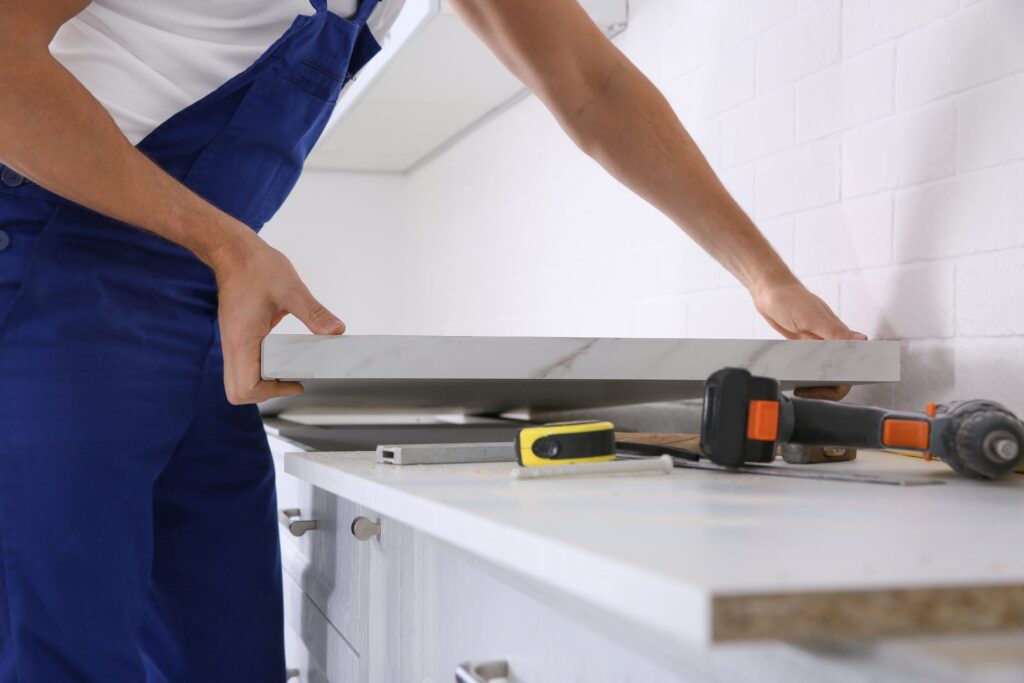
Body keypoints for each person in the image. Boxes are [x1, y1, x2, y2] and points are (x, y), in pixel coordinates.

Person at [0, 0, 865, 680]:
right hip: (43, 279)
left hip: (204, 307)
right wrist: (230, 244)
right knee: (56, 651)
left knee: (224, 652)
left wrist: (765, 274)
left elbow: (589, 83)